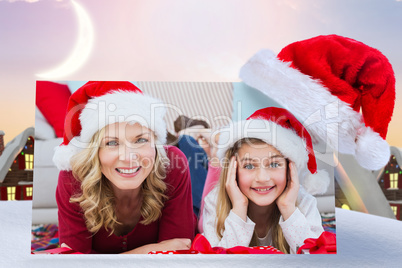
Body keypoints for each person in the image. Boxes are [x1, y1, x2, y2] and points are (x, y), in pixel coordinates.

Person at [53, 81, 196, 254]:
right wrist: (150, 251)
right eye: (112, 143)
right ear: (93, 152)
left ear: (155, 143)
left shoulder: (172, 164)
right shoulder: (73, 177)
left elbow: (179, 251)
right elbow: (72, 263)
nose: (129, 157)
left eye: (141, 140)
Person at [202, 107, 330, 254]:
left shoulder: (304, 203)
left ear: (290, 169)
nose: (262, 178)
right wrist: (238, 209)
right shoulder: (215, 203)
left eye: (274, 164)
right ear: (233, 169)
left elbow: (316, 260)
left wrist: (288, 208)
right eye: (249, 165)